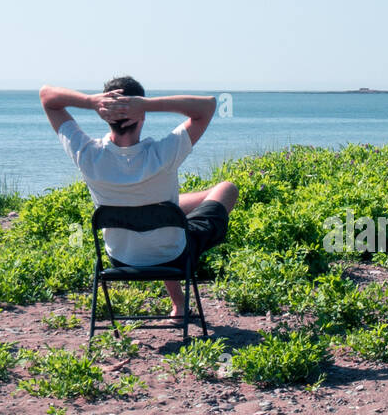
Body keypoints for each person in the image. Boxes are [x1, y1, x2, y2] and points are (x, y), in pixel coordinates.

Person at [39, 77, 238, 323]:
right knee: (225, 188)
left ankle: (179, 306)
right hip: (175, 256)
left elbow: (47, 97)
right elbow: (207, 106)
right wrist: (145, 105)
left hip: (122, 257)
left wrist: (90, 102)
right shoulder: (164, 152)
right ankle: (179, 303)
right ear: (141, 115)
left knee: (164, 217)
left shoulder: (87, 154)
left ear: (104, 115)